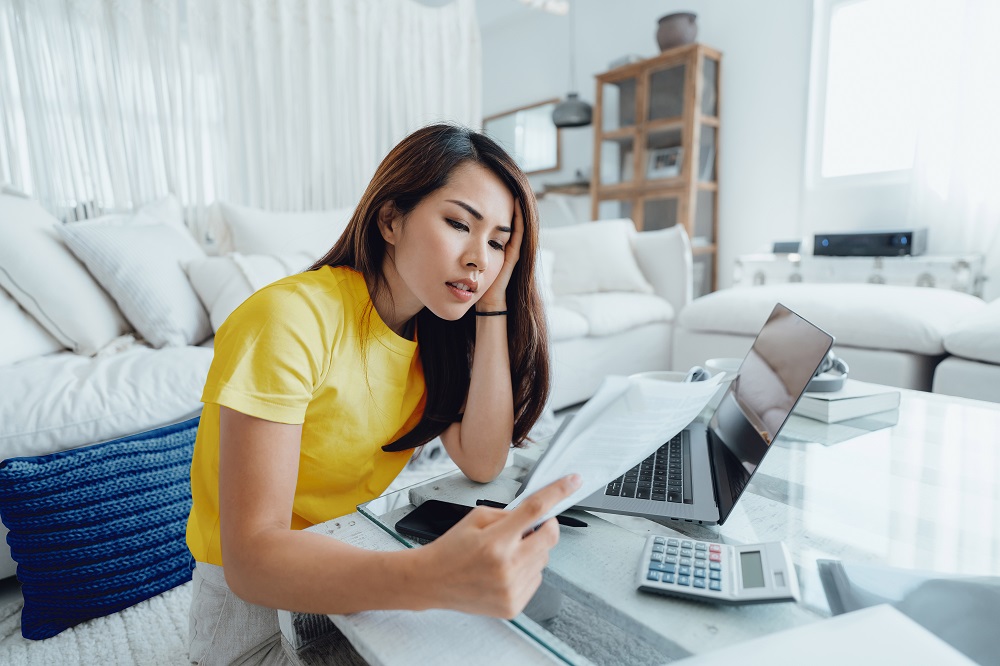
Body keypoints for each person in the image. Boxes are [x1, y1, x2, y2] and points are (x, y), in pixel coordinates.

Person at [185, 123, 581, 664]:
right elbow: (251, 560)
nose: (478, 259)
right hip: (253, 613)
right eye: (459, 224)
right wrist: (432, 577)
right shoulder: (288, 319)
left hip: (352, 564)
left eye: (497, 242)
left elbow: (485, 460)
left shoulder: (431, 332)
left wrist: (492, 304)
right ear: (391, 220)